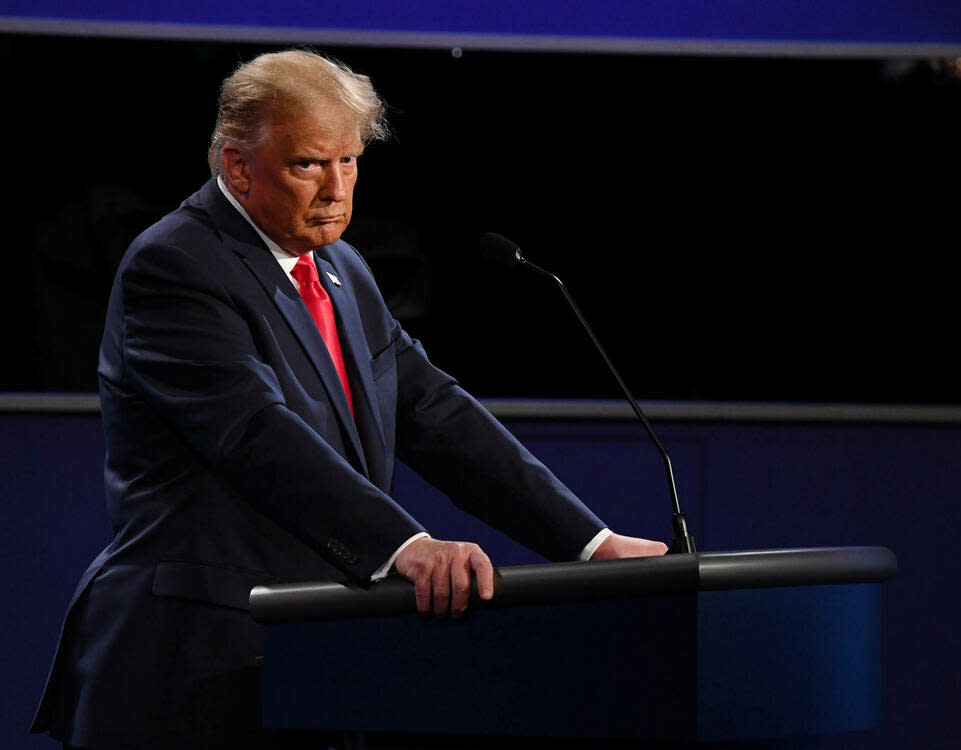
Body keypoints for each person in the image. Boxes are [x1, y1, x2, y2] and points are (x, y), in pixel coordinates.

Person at [32, 49, 667, 750]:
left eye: (351, 161)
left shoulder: (339, 267)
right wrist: (408, 547)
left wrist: (590, 544)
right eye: (309, 164)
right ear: (238, 166)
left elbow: (432, 410)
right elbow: (254, 432)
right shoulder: (176, 264)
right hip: (194, 664)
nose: (337, 189)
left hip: (317, 660)